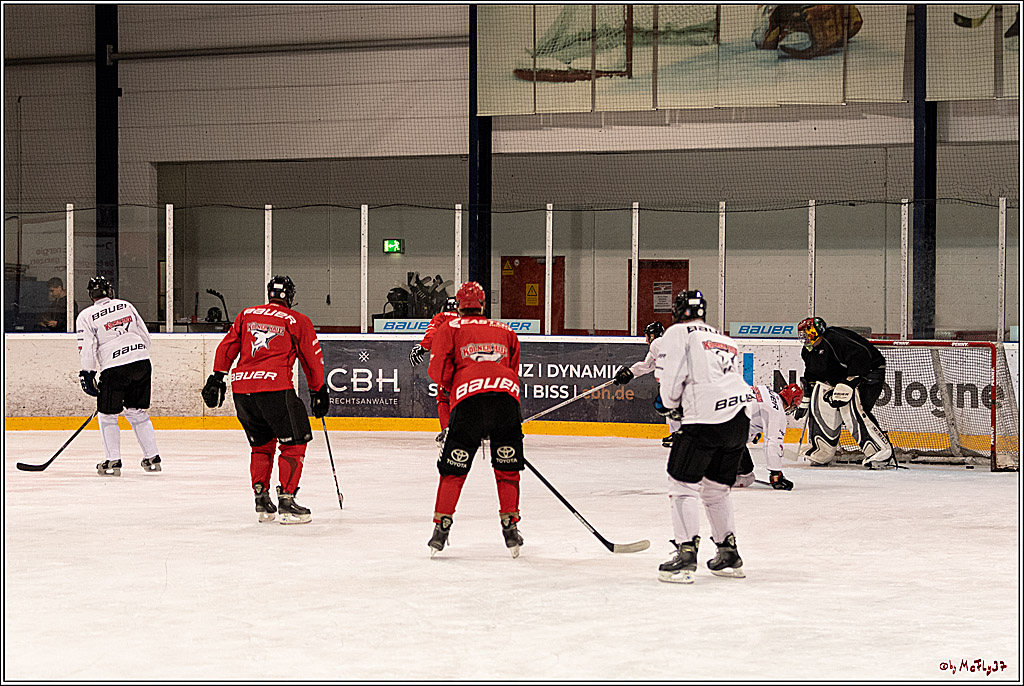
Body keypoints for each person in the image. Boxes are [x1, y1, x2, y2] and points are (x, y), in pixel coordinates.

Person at [202, 276, 329, 524]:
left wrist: (217, 377)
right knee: (294, 442)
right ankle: (287, 501)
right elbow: (311, 359)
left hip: (243, 390)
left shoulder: (247, 314)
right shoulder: (298, 320)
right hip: (275, 388)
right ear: (290, 296)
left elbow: (227, 347)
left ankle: (262, 500)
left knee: (261, 445)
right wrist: (318, 390)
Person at [654, 290, 754, 584]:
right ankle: (728, 553)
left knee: (682, 483)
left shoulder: (677, 332)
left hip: (706, 416)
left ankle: (685, 556)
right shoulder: (724, 338)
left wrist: (670, 405)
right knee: (715, 489)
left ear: (677, 310)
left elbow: (672, 377)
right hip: (739, 417)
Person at [426, 281, 526, 558]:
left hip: (468, 402)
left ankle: (440, 529)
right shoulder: (506, 330)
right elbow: (512, 368)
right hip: (506, 400)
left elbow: (437, 371)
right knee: (507, 468)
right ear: (483, 303)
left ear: (459, 304)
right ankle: (510, 527)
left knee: (454, 469)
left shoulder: (450, 328)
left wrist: (458, 386)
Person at [76, 275, 162, 476]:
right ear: (109, 290)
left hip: (115, 367)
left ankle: (113, 461)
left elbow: (87, 347)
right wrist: (136, 354)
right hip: (141, 362)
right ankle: (152, 457)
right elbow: (144, 335)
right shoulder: (125, 305)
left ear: (91, 294)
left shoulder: (86, 315)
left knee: (107, 415)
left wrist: (87, 374)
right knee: (137, 411)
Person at [793, 316, 894, 469]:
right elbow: (812, 378)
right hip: (842, 380)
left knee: (854, 409)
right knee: (820, 399)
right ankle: (823, 450)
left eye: (806, 333)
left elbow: (862, 355)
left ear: (815, 331)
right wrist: (806, 400)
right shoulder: (808, 352)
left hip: (869, 374)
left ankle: (881, 452)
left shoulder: (835, 339)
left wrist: (850, 381)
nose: (804, 338)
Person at [613, 321, 679, 447]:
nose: (646, 340)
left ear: (652, 336)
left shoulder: (657, 343)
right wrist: (629, 373)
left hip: (678, 381)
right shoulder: (663, 345)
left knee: (670, 403)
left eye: (647, 336)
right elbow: (647, 365)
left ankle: (679, 435)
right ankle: (678, 434)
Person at [409, 296, 460, 445]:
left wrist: (422, 347)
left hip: (449, 366)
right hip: (469, 364)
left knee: (443, 398)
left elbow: (432, 335)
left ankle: (447, 430)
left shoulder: (441, 317)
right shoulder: (468, 320)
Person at [734, 383, 803, 490]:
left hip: (711, 421)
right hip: (724, 436)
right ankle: (711, 479)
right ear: (792, 404)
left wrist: (751, 432)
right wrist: (776, 474)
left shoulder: (763, 389)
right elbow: (773, 443)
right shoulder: (777, 413)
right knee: (747, 477)